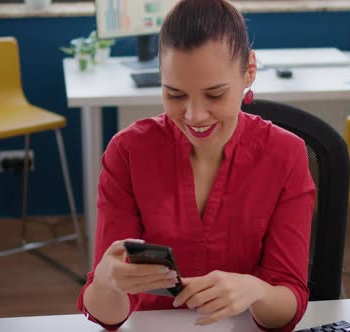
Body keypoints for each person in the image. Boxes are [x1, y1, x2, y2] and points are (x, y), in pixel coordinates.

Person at [77, 0, 315, 331]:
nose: (194, 116)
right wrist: (105, 282)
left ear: (249, 71)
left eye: (214, 95)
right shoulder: (128, 153)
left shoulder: (286, 154)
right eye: (175, 95)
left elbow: (287, 307)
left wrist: (257, 292)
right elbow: (108, 314)